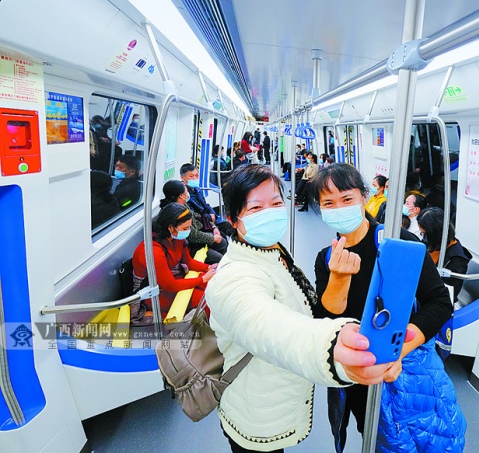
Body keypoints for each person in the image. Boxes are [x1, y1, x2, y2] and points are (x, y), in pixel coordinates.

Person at [206, 164, 400, 452]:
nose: (270, 213)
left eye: (276, 203)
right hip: (257, 414)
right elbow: (267, 325)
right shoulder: (233, 278)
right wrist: (334, 349)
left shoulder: (272, 252)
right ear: (234, 220)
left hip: (276, 396)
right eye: (256, 207)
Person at [309, 163, 459, 453]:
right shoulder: (326, 258)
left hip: (400, 368)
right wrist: (338, 277)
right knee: (372, 433)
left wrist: (394, 352)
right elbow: (326, 320)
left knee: (413, 437)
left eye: (347, 199)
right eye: (329, 203)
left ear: (364, 197)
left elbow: (440, 302)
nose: (338, 208)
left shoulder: (399, 244)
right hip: (354, 375)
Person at [131, 203, 216, 322]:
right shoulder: (153, 251)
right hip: (154, 291)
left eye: (189, 227)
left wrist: (208, 268)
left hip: (172, 278)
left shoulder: (177, 238)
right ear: (171, 227)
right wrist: (202, 279)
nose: (188, 231)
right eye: (185, 228)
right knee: (206, 301)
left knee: (215, 285)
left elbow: (189, 262)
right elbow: (170, 285)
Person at [161, 180, 228, 264]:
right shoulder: (174, 212)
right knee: (218, 257)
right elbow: (192, 235)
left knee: (222, 240)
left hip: (197, 235)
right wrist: (213, 238)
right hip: (191, 245)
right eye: (186, 191)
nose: (188, 193)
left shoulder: (184, 205)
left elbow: (198, 217)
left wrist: (213, 227)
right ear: (181, 195)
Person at [417, 207, 472, 300]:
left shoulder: (456, 259)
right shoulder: (430, 244)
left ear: (434, 234)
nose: (423, 237)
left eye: (424, 233)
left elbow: (449, 292)